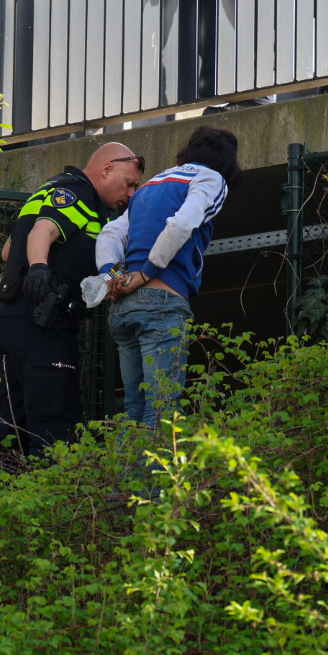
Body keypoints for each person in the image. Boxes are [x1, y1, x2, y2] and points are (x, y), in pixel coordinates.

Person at [0, 142, 143, 471]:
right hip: (43, 323)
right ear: (107, 168)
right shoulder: (80, 195)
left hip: (9, 318)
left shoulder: (46, 190)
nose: (131, 193)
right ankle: (51, 505)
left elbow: (9, 252)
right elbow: (43, 230)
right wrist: (41, 269)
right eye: (129, 183)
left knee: (9, 422)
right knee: (53, 424)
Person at [95, 125, 240, 428]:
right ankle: (158, 477)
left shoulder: (149, 185)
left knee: (134, 408)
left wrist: (113, 278)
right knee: (163, 406)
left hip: (123, 307)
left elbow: (109, 233)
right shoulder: (211, 178)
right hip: (162, 301)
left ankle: (124, 475)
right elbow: (181, 224)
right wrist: (146, 274)